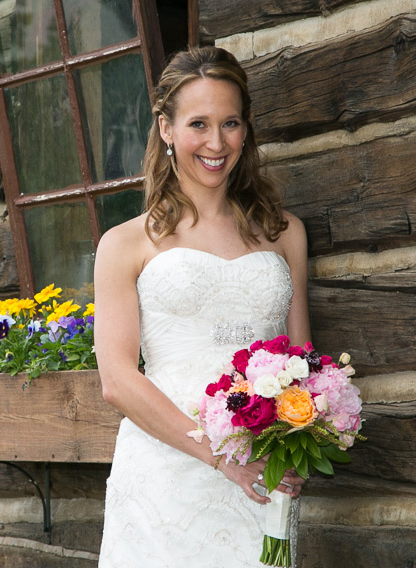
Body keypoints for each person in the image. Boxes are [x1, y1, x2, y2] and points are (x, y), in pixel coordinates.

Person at [94, 46, 311, 566]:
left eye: (230, 123)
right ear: (166, 128)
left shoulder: (286, 234)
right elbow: (118, 380)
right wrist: (218, 458)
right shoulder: (125, 244)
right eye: (198, 124)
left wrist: (304, 441)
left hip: (263, 475)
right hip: (166, 475)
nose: (217, 143)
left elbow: (304, 363)